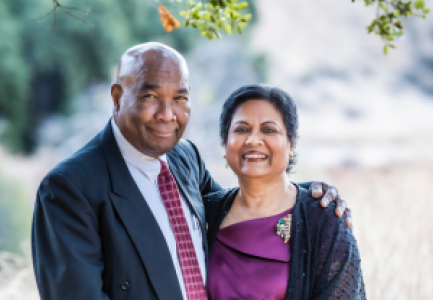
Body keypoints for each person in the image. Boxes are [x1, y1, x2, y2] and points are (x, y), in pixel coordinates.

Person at [31, 43, 351, 300]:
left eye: (180, 98)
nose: (167, 114)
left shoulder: (185, 157)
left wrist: (307, 196)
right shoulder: (70, 187)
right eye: (151, 97)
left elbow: (240, 205)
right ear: (117, 98)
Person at [204, 84, 366, 300]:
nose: (253, 140)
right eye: (241, 129)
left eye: (269, 130)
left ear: (292, 144)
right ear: (225, 145)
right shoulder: (205, 213)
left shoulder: (325, 219)